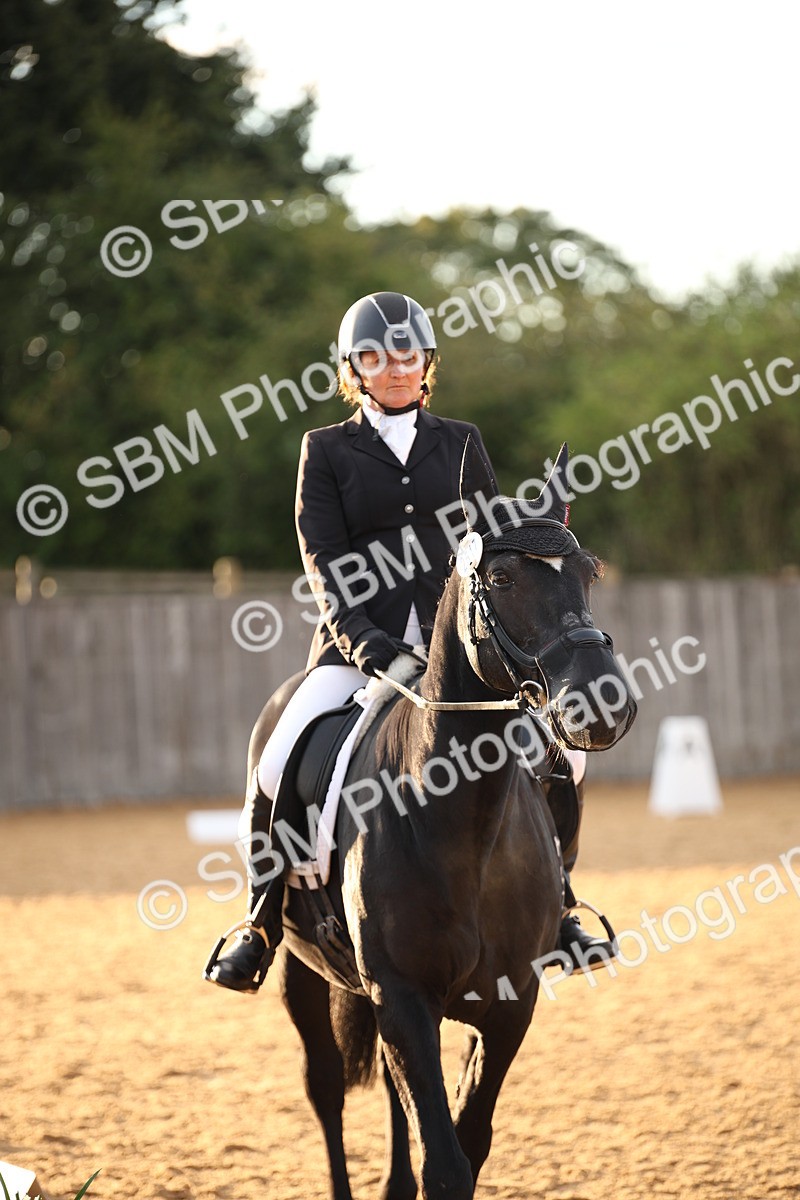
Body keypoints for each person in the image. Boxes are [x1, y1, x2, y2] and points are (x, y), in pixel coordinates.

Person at [206, 291, 614, 994]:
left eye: (405, 356)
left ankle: (565, 907)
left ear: (426, 364)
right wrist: (365, 643)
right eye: (374, 358)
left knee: (567, 757)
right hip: (353, 648)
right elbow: (324, 562)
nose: (392, 369)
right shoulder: (325, 451)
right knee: (279, 758)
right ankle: (260, 921)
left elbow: (488, 550)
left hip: (453, 650)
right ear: (353, 369)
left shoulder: (461, 441)